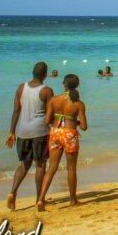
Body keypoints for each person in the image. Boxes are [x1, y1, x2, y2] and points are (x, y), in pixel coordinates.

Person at [5, 62, 53, 211]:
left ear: (32, 72)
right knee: (40, 164)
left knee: (25, 164)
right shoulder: (46, 90)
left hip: (22, 131)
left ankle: (13, 192)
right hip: (40, 131)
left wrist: (11, 131)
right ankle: (40, 199)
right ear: (45, 74)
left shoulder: (21, 88)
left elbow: (16, 111)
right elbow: (49, 113)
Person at [37, 74, 87, 211]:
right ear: (77, 85)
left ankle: (40, 199)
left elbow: (47, 121)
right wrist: (74, 121)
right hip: (69, 134)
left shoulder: (54, 100)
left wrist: (57, 117)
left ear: (64, 84)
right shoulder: (78, 103)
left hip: (55, 133)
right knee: (71, 169)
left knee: (51, 168)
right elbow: (84, 126)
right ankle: (73, 200)